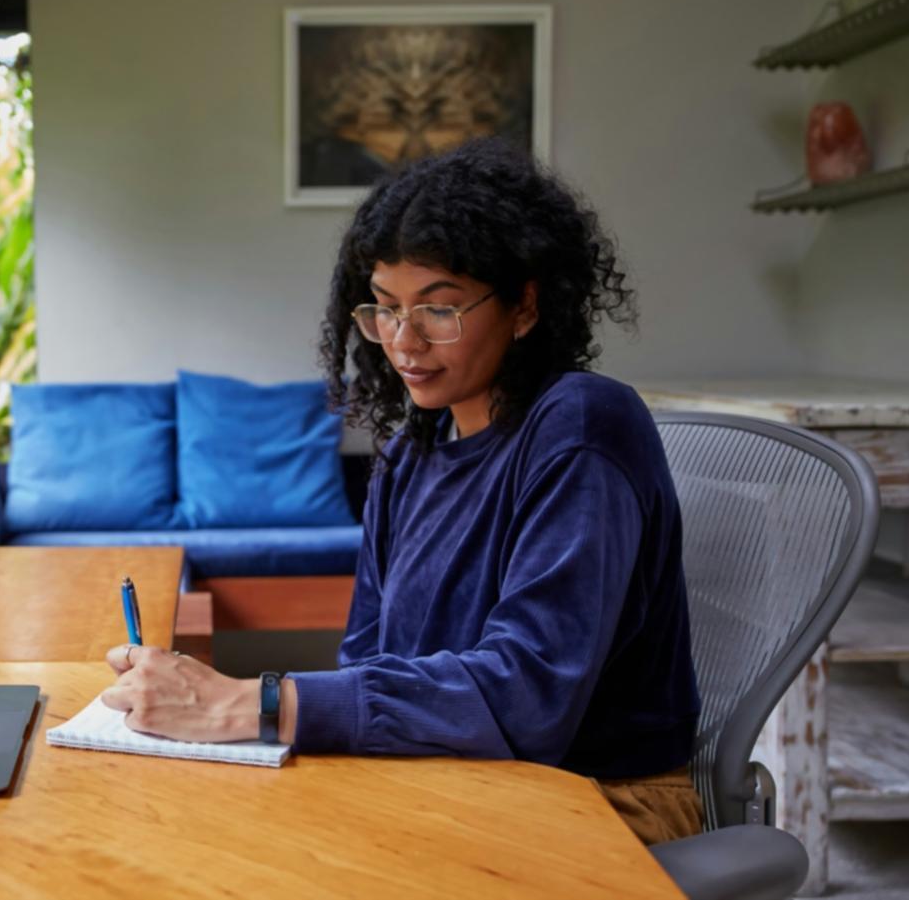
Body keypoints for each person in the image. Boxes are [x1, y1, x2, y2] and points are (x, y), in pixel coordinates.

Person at [101, 137, 703, 845]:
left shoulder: (578, 425)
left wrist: (253, 702)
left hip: (594, 797)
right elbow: (367, 660)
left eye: (438, 309)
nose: (403, 341)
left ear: (525, 306)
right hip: (450, 778)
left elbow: (527, 695)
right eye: (383, 309)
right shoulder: (410, 454)